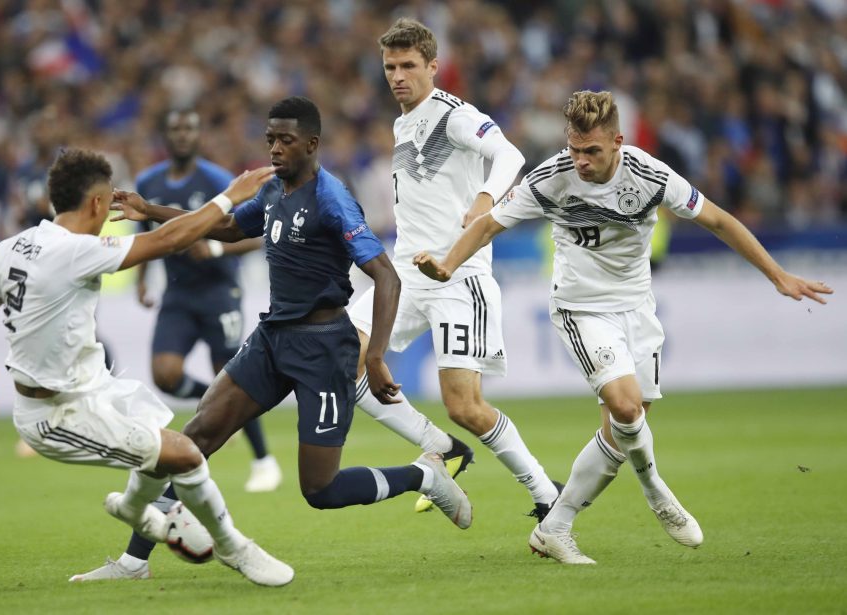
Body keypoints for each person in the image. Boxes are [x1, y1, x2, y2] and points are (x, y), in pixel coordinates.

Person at [413, 90, 834, 564]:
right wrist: (448, 265)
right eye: (573, 149)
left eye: (591, 151)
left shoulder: (650, 174)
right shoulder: (551, 178)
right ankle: (656, 491)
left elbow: (717, 219)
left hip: (638, 310)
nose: (581, 161)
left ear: (617, 141)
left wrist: (777, 275)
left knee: (621, 430)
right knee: (626, 407)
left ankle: (555, 528)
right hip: (580, 309)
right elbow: (489, 224)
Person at [71, 96, 472, 582]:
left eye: (285, 140)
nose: (275, 148)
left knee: (320, 490)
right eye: (270, 140)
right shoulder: (272, 191)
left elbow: (387, 277)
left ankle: (424, 476)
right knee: (193, 438)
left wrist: (378, 356)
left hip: (325, 348)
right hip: (272, 337)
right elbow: (223, 225)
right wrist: (149, 208)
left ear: (312, 143)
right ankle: (134, 562)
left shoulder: (332, 199)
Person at [0, 148, 295, 586]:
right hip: (57, 414)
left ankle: (134, 545)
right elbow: (170, 240)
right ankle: (233, 547)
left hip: (94, 389)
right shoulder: (77, 251)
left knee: (161, 447)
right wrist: (229, 197)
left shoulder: (12, 247)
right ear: (97, 203)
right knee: (186, 455)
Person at [348, 17, 562, 518]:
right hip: (403, 276)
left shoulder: (454, 114)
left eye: (408, 66)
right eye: (390, 67)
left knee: (464, 405)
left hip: (457, 277)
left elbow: (509, 154)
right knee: (340, 361)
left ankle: (545, 493)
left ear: (433, 67)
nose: (398, 75)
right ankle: (440, 447)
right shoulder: (403, 123)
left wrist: (487, 198)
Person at [134, 109, 281, 495]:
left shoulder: (218, 181)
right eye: (175, 128)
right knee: (165, 374)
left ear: (199, 136)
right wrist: (140, 280)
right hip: (178, 294)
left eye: (189, 129)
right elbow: (144, 231)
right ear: (165, 136)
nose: (182, 135)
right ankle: (210, 403)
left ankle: (264, 461)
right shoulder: (148, 182)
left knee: (233, 380)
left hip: (219, 294)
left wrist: (215, 249)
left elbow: (257, 233)